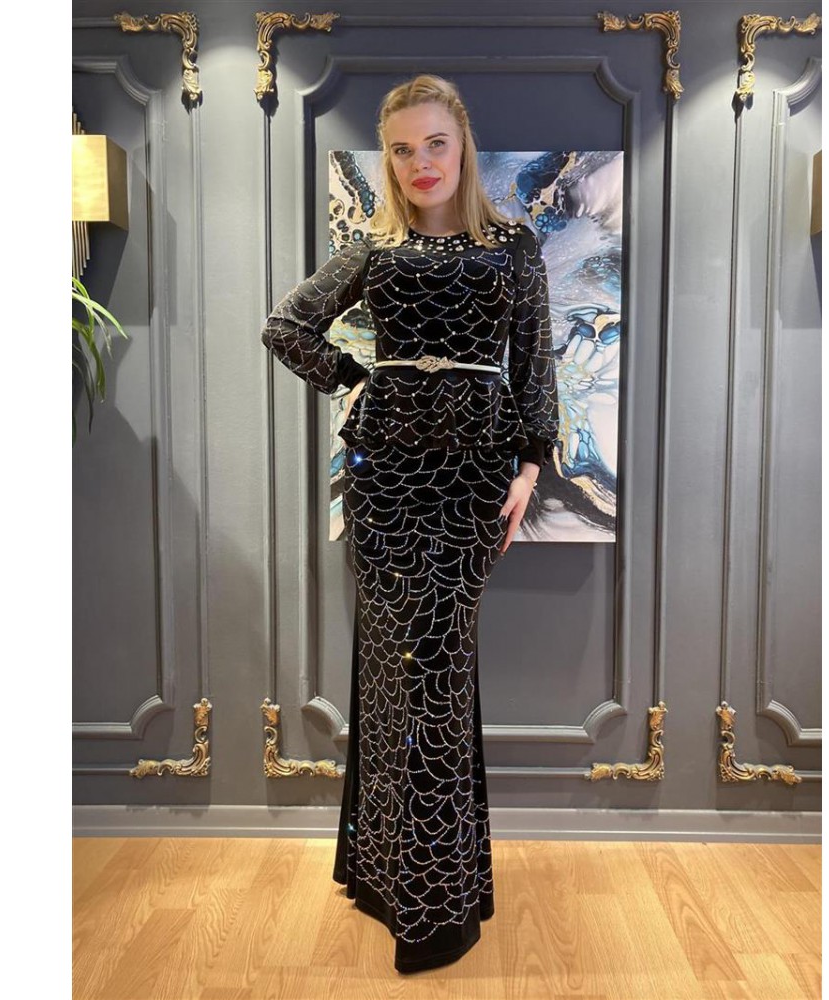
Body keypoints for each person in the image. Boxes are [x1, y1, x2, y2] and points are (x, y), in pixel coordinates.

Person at [261, 74, 559, 974]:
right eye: (401, 149)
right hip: (387, 481)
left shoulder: (514, 247)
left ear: (461, 144)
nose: (419, 163)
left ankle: (433, 896)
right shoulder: (375, 249)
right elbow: (286, 327)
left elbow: (534, 363)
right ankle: (396, 883)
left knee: (439, 672)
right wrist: (359, 380)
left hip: (472, 482)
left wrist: (530, 467)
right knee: (396, 673)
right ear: (388, 160)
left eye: (435, 143)